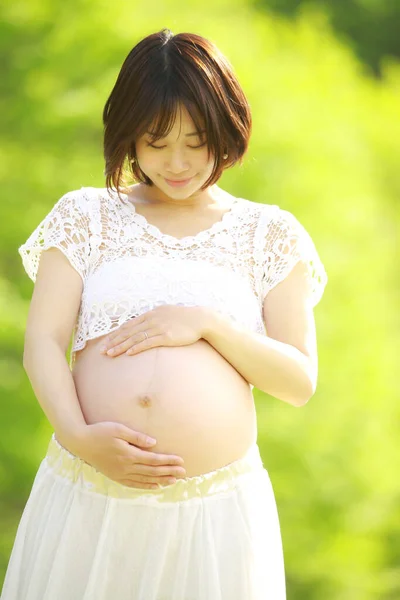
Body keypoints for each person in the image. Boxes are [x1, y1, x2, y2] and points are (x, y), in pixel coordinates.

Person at [1, 28, 328, 600]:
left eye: (197, 141)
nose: (177, 163)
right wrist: (77, 437)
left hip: (215, 513)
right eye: (155, 142)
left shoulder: (269, 233)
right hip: (88, 490)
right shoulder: (86, 216)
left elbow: (299, 381)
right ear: (128, 136)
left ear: (227, 130)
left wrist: (208, 324)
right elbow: (44, 343)